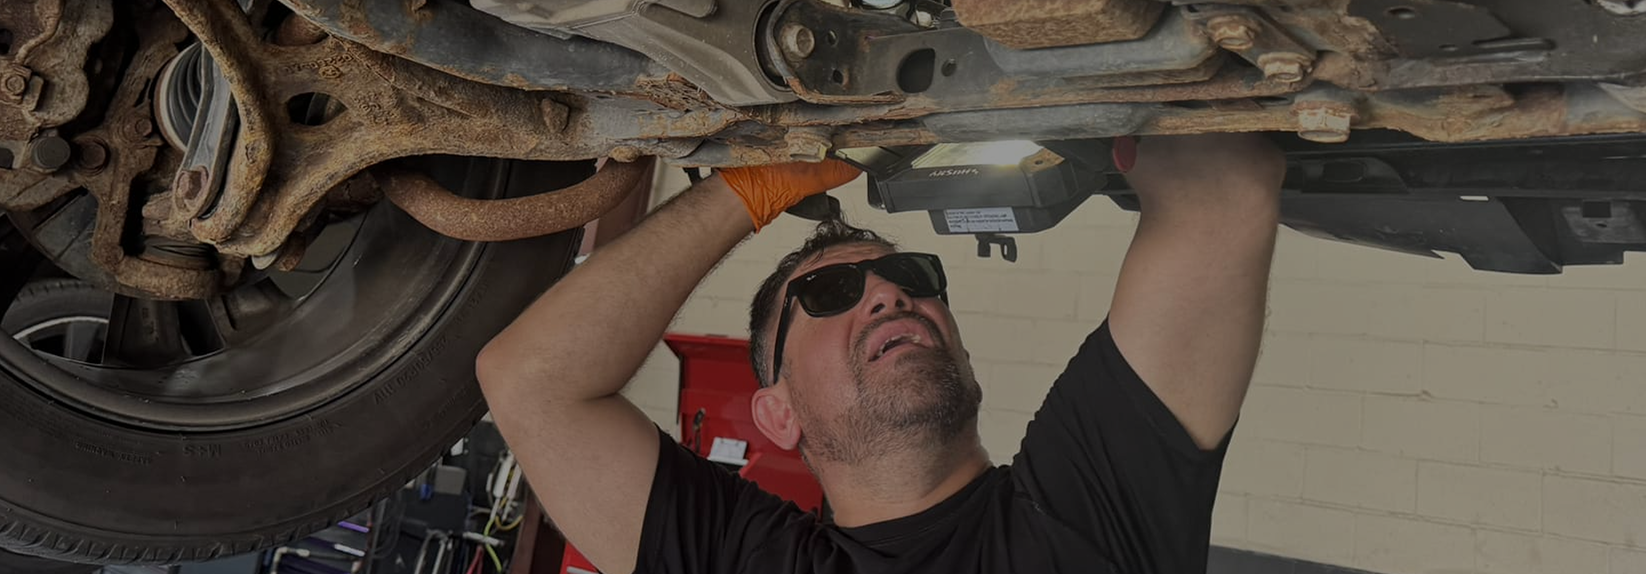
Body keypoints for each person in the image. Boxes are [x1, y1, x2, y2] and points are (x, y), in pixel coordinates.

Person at [477, 133, 1286, 574]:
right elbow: (531, 379)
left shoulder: (1083, 502)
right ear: (777, 411)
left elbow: (1221, 191)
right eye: (831, 294)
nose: (888, 294)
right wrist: (749, 190)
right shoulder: (1090, 523)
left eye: (906, 274)